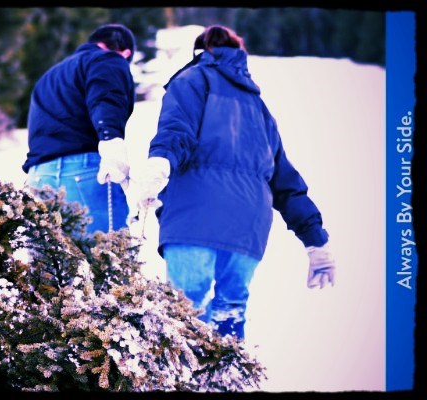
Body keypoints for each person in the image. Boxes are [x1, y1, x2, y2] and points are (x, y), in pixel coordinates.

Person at [129, 25, 337, 341]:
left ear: (202, 51)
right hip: (248, 225)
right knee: (230, 312)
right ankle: (225, 368)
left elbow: (177, 131)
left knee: (183, 312)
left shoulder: (191, 80)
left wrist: (160, 161)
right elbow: (286, 181)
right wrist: (315, 241)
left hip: (194, 215)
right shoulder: (259, 108)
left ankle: (183, 369)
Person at [22, 23, 137, 234]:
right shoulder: (109, 60)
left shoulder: (50, 76)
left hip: (39, 176)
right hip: (84, 172)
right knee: (108, 252)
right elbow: (106, 98)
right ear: (126, 53)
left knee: (51, 255)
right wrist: (111, 140)